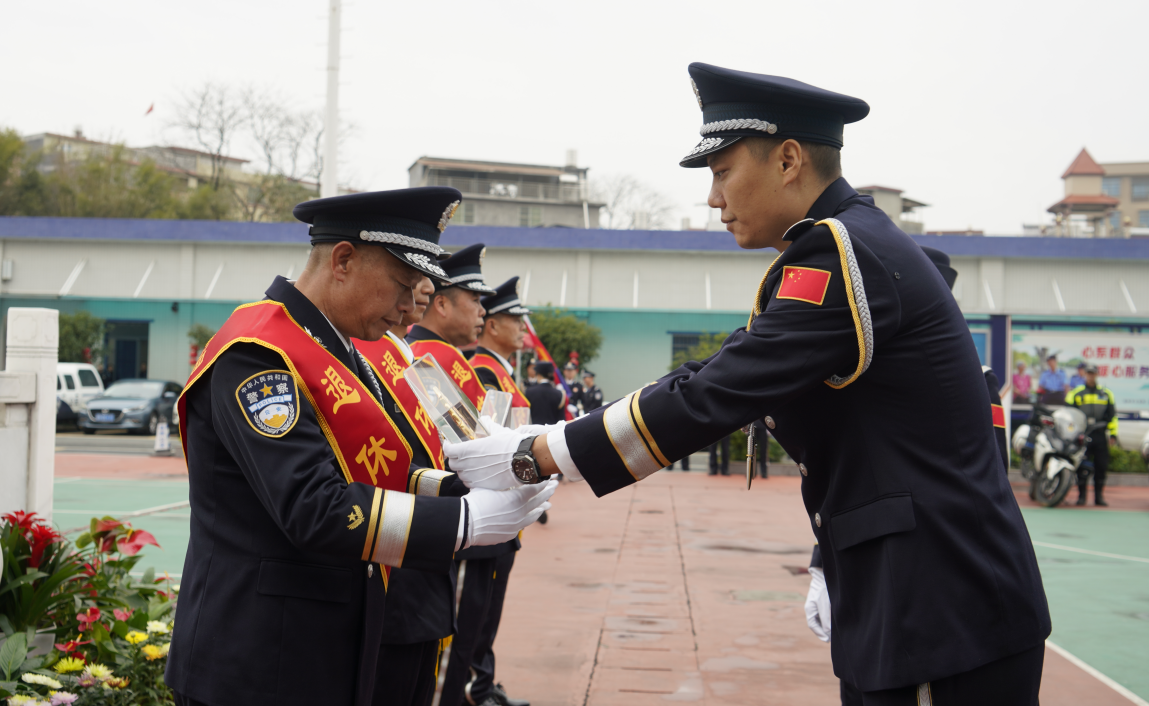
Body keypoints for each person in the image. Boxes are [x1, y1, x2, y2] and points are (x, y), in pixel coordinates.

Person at [444, 63, 1050, 704]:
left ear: (788, 159)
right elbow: (720, 369)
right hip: (915, 592)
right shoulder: (840, 247)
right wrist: (557, 437)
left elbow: (720, 393)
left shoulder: (841, 252)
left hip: (939, 604)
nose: (713, 198)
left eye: (722, 172)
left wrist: (539, 455)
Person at [167, 188, 555, 706]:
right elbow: (313, 506)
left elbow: (398, 468)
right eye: (402, 285)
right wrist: (465, 522)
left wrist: (478, 483)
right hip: (259, 659)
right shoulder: (258, 353)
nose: (406, 309)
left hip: (325, 646)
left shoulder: (343, 347)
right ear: (344, 260)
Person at [405, 247, 529, 706]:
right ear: (442, 302)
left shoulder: (446, 356)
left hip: (464, 510)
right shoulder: (435, 357)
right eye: (473, 300)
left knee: (464, 630)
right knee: (455, 635)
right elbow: (470, 441)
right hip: (462, 512)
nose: (483, 310)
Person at [353, 266, 458, 706]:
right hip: (391, 547)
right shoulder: (358, 354)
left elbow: (461, 432)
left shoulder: (412, 356)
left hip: (426, 550)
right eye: (411, 275)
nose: (427, 289)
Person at [463, 276, 535, 706]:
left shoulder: (500, 372)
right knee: (475, 606)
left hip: (507, 504)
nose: (524, 329)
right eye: (516, 320)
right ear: (493, 325)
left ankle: (481, 681)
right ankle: (475, 686)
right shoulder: (484, 372)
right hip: (487, 507)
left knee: (487, 607)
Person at [1067, 363, 1118, 507]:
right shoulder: (1075, 393)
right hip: (1083, 437)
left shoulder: (1106, 394)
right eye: (1088, 373)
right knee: (1082, 467)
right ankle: (1081, 497)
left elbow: (1112, 416)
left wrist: (1113, 434)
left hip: (1100, 436)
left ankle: (1099, 497)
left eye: (1093, 373)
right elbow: (1069, 415)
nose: (1090, 376)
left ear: (1097, 375)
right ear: (1085, 374)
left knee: (1101, 467)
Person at [524, 361, 565, 425]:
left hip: (534, 432)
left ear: (539, 374)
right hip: (552, 433)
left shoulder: (529, 392)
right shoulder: (560, 394)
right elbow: (561, 420)